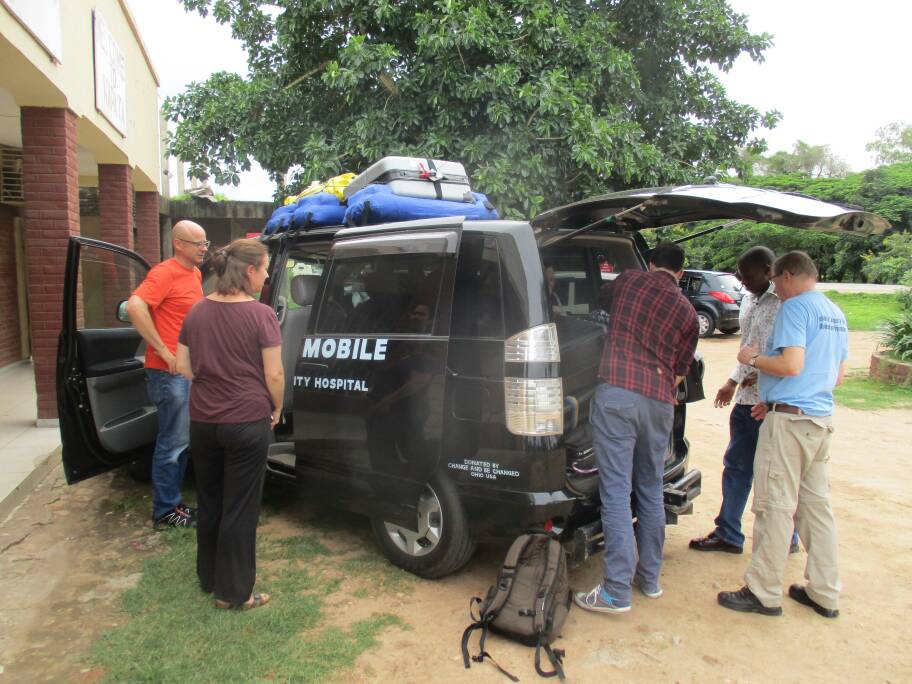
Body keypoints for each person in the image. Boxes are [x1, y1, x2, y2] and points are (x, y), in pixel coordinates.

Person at [718, 251, 847, 619]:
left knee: (775, 507)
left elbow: (791, 364)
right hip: (818, 421)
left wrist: (752, 360)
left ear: (789, 275)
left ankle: (763, 592)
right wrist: (776, 392)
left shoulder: (795, 309)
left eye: (776, 280)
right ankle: (824, 591)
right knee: (815, 510)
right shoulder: (834, 312)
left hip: (789, 425)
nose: (775, 288)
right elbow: (835, 376)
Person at [574, 242, 698, 614]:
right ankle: (650, 579)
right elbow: (680, 370)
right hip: (659, 403)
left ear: (651, 263)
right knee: (650, 488)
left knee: (615, 492)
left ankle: (615, 591)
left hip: (619, 397)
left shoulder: (630, 282)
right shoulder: (689, 313)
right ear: (679, 271)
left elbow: (600, 298)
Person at [176, 239, 283, 611]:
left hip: (204, 421)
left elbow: (182, 366)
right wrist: (278, 407)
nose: (267, 275)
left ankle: (210, 577)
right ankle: (235, 593)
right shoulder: (262, 315)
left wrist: (213, 379)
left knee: (211, 500)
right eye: (265, 268)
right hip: (246, 420)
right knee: (240, 507)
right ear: (249, 271)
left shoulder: (196, 312)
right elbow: (274, 373)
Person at [689, 247, 799, 555]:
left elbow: (792, 359)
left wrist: (763, 375)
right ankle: (729, 533)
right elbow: (748, 347)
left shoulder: (786, 305)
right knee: (737, 467)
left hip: (772, 403)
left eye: (746, 274)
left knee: (773, 473)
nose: (741, 280)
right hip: (745, 400)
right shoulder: (750, 300)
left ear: (768, 270)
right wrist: (731, 382)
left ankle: (784, 537)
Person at [127, 220, 208, 528]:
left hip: (187, 370)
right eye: (197, 244)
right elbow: (135, 306)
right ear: (178, 244)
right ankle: (165, 510)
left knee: (183, 439)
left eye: (204, 243)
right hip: (168, 372)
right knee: (173, 441)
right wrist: (163, 350)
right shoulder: (163, 273)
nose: (203, 249)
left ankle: (174, 503)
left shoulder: (195, 273)